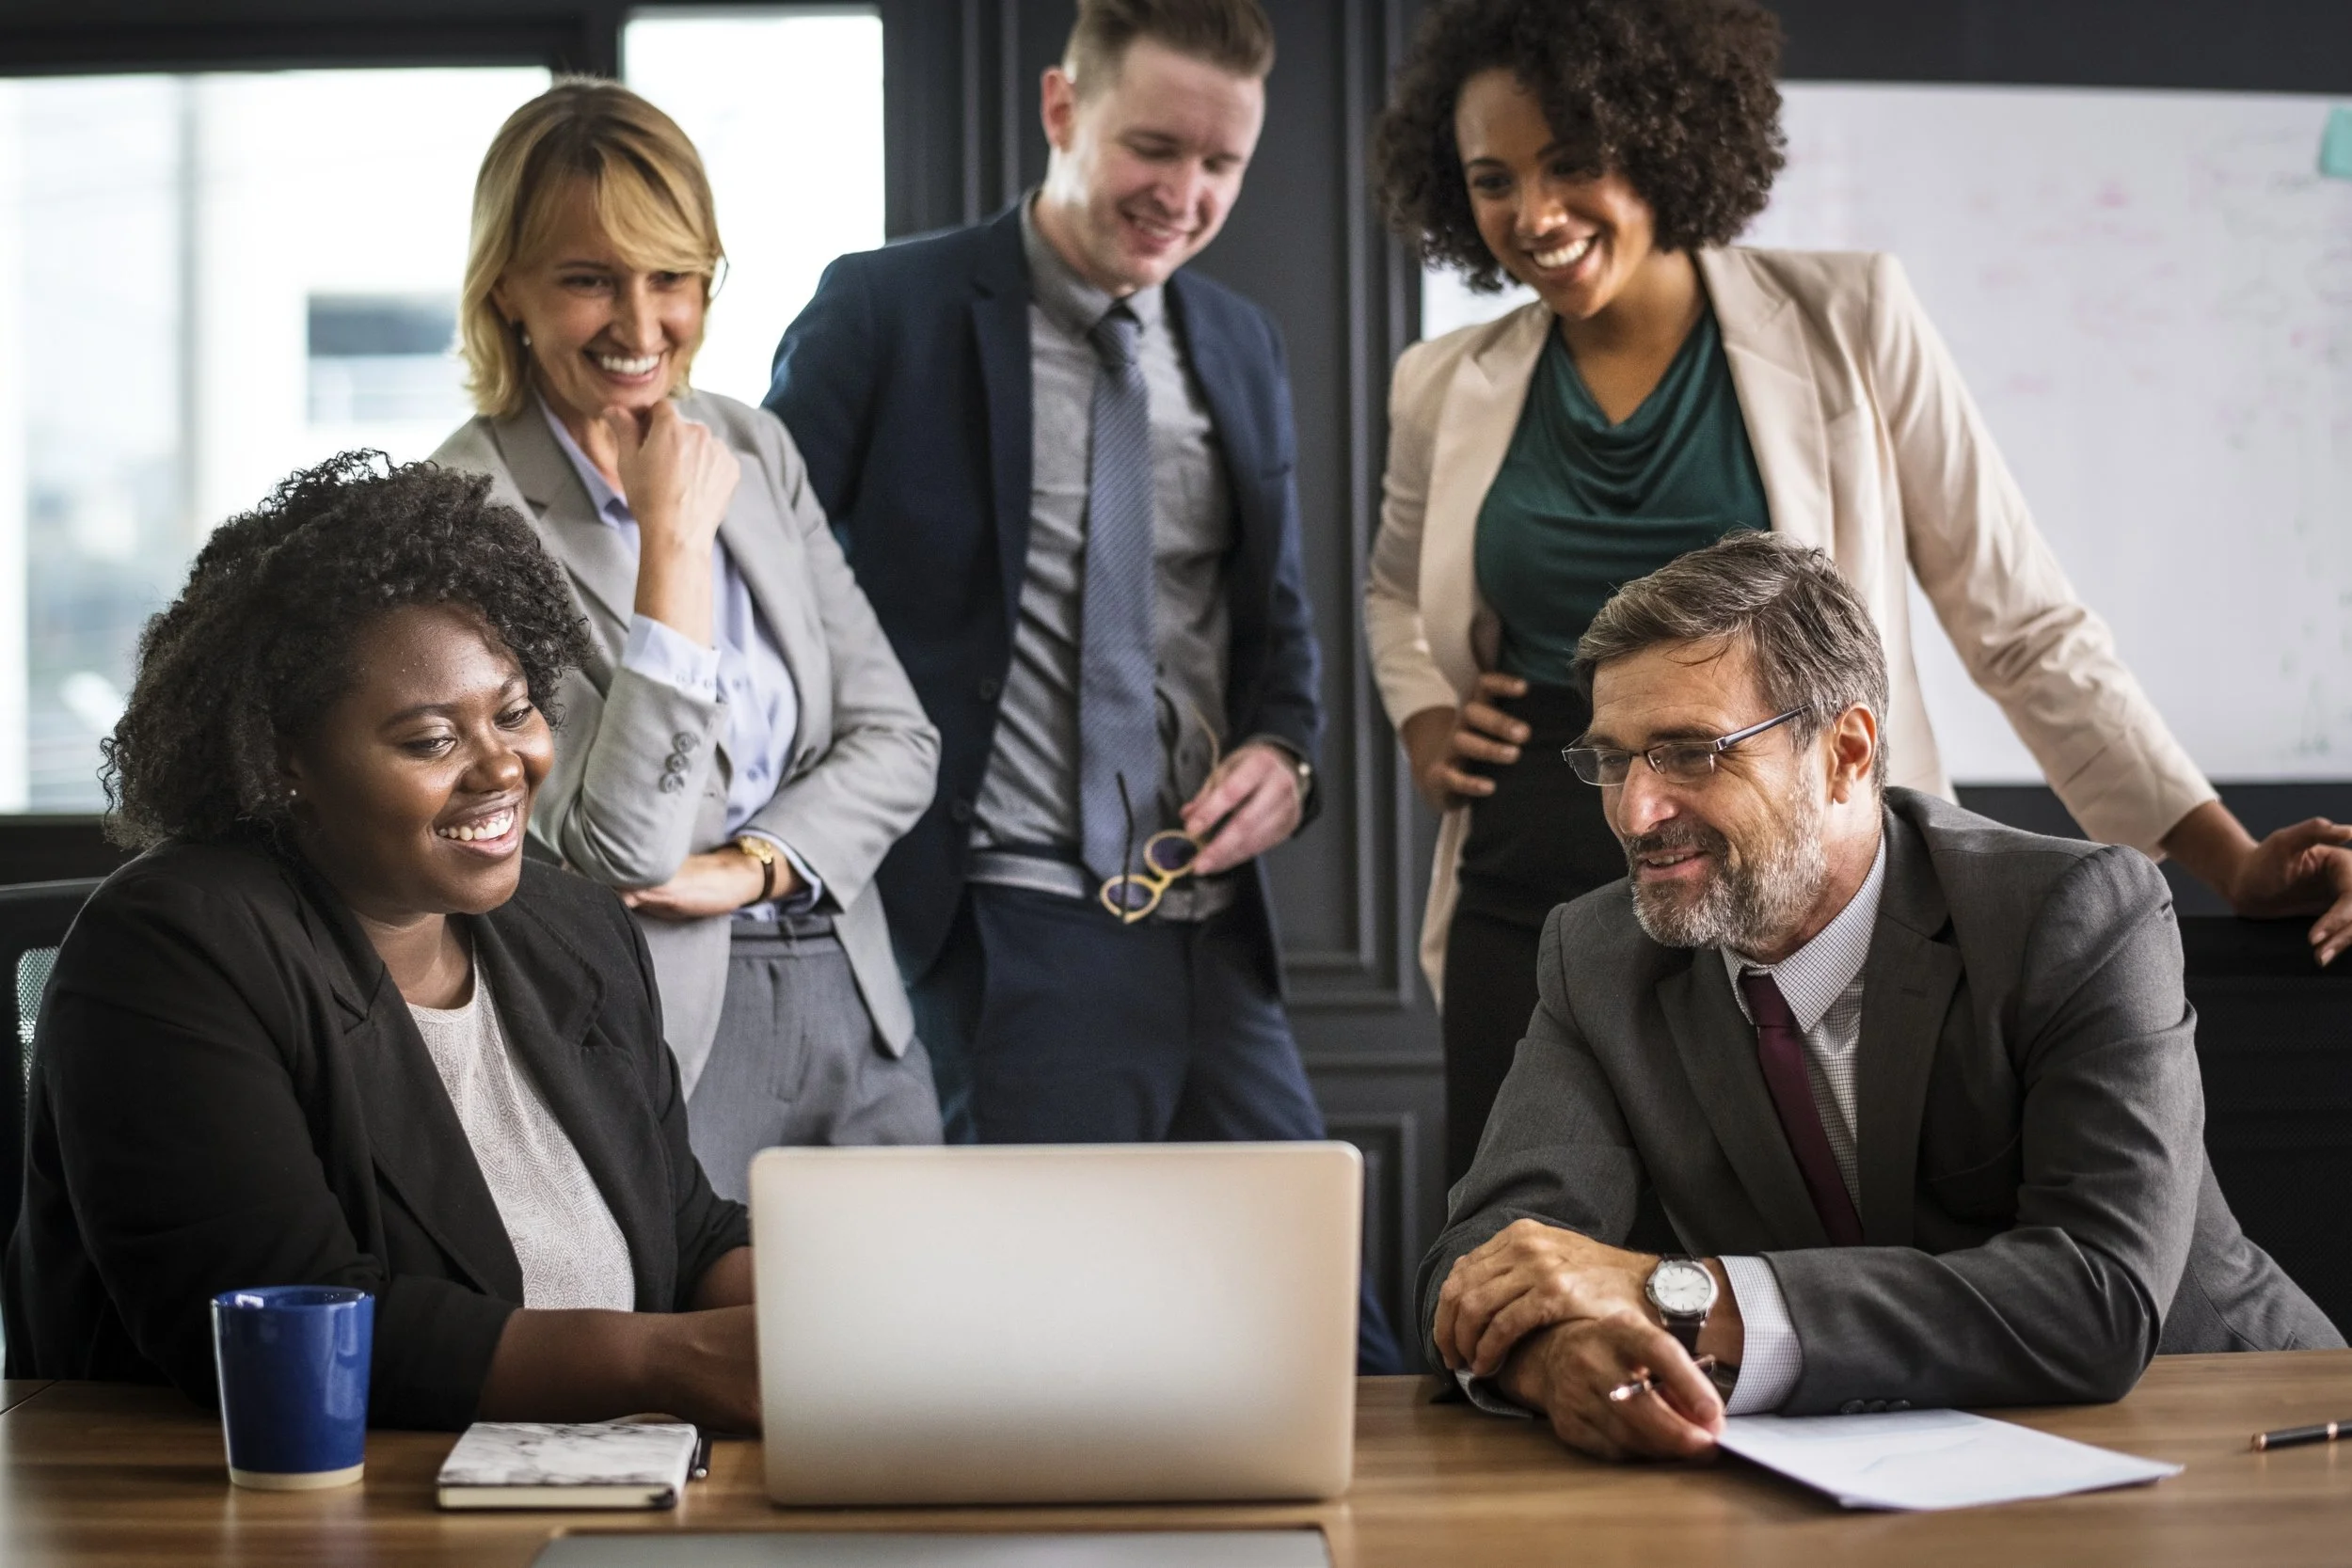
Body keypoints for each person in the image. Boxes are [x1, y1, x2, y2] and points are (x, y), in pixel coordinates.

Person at [1364, 0, 2352, 1188]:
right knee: (1525, 1244)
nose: (1534, 214)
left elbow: (2021, 622)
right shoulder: (1441, 382)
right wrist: (1423, 707)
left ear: (1670, 135)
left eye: (1576, 163)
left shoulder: (1848, 319)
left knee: (1808, 1247)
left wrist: (2226, 859)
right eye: (1491, 179)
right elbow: (1391, 593)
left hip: (1789, 874)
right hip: (1526, 874)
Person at [766, 0, 1399, 1370]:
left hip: (1214, 934)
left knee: (1334, 1343)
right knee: (1045, 1351)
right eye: (1152, 147)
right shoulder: (884, 311)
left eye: (1222, 165)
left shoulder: (1238, 343)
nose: (1185, 196)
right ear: (1063, 110)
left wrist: (1290, 756)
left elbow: (1276, 624)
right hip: (1001, 927)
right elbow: (762, 598)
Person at [1420, 532, 2340, 1462]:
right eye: (1612, 760)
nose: (1634, 811)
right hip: (1869, 1472)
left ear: (1845, 753)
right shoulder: (1598, 953)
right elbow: (1486, 1254)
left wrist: (1679, 1295)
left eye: (1689, 753)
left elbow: (2095, 1295)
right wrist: (1561, 1352)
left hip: (2231, 1432)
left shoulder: (2073, 913)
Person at [2, 455, 760, 1433]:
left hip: (581, 1484)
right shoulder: (173, 947)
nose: (501, 765)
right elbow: (285, 1315)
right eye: (429, 738)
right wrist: (669, 1363)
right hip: (266, 1510)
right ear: (286, 760)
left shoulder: (572, 927)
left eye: (514, 709)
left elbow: (686, 1232)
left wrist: (836, 1307)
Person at [433, 80, 945, 1199]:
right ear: (508, 288)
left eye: (672, 277)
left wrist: (751, 865)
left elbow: (898, 738)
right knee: (703, 1367)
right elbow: (619, 847)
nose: (640, 321)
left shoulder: (751, 446)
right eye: (588, 279)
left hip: (850, 991)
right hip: (656, 1020)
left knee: (918, 1356)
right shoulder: (462, 508)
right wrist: (671, 546)